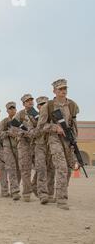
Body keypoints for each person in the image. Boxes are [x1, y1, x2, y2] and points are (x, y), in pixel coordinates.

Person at [37, 79, 79, 210]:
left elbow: (74, 124)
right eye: (60, 89)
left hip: (68, 140)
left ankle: (59, 193)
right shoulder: (48, 106)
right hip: (54, 139)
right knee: (61, 167)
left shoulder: (72, 105)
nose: (63, 91)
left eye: (65, 88)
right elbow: (40, 126)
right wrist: (54, 127)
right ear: (54, 91)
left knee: (68, 169)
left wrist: (74, 139)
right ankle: (61, 200)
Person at [0, 102, 21, 199]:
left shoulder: (20, 120)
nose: (12, 110)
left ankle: (15, 187)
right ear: (7, 110)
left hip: (19, 147)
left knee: (19, 169)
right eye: (10, 108)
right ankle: (15, 191)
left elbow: (26, 130)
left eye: (13, 108)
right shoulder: (4, 122)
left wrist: (16, 132)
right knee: (11, 168)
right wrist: (7, 133)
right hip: (7, 147)